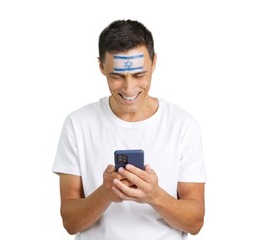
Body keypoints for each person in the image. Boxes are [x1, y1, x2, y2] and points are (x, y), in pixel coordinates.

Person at [52, 19, 206, 240]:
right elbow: (70, 222)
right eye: (117, 76)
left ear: (154, 63)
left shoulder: (182, 125)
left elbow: (195, 222)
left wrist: (155, 196)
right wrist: (106, 193)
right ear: (101, 67)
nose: (129, 88)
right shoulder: (78, 124)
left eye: (139, 75)